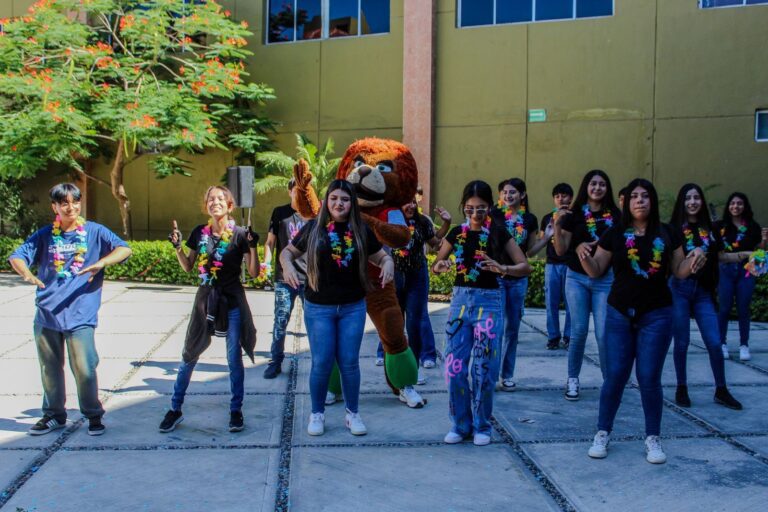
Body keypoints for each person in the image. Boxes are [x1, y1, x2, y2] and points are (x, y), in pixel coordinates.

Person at [581, 179, 700, 464]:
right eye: (633, 196)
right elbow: (596, 270)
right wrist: (582, 255)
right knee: (616, 376)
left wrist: (694, 258)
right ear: (626, 202)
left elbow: (680, 271)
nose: (639, 201)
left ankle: (652, 438)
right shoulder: (616, 233)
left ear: (652, 201)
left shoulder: (668, 233)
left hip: (657, 314)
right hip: (619, 313)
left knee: (649, 378)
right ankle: (602, 432)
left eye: (645, 196)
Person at [9, 183, 131, 436]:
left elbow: (124, 248)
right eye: (64, 203)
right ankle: (54, 415)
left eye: (75, 201)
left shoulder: (94, 232)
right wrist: (27, 274)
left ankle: (93, 416)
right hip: (47, 314)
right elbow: (17, 256)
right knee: (50, 369)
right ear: (54, 207)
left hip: (80, 314)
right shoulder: (45, 235)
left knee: (85, 368)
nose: (71, 207)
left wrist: (100, 263)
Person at [281, 180, 394, 436]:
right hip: (318, 307)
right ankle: (317, 414)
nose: (338, 203)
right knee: (321, 362)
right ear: (326, 201)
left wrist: (388, 263)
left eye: (344, 199)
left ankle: (352, 414)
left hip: (352, 307)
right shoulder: (314, 228)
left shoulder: (361, 230)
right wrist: (287, 266)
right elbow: (287, 253)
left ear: (351, 203)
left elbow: (382, 256)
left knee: (350, 363)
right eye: (334, 198)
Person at [432, 180, 531, 446]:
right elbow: (438, 262)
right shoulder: (456, 234)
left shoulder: (499, 232)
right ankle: (459, 424)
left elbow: (525, 266)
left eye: (481, 208)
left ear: (490, 207)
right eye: (470, 208)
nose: (475, 214)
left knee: (483, 370)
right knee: (454, 368)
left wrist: (503, 269)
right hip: (460, 303)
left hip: (489, 303)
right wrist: (441, 265)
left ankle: (482, 426)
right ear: (464, 207)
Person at [159, 186, 260, 434]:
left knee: (233, 359)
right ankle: (175, 408)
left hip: (232, 300)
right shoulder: (199, 234)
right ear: (206, 206)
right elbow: (188, 266)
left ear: (230, 205)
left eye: (220, 198)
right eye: (210, 199)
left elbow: (255, 273)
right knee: (189, 353)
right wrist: (177, 247)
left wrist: (254, 246)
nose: (215, 202)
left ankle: (236, 410)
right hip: (205, 298)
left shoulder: (239, 235)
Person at [668, 184, 742, 410]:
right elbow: (671, 264)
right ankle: (681, 387)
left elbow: (721, 257)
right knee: (681, 342)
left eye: (697, 198)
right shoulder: (672, 230)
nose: (692, 202)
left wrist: (747, 255)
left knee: (713, 341)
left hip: (703, 292)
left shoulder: (710, 229)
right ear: (682, 202)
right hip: (679, 289)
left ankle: (721, 389)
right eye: (688, 198)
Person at [553, 170, 620, 400]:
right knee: (579, 330)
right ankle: (572, 379)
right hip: (577, 278)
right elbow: (561, 250)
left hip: (605, 280)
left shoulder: (616, 215)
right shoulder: (574, 214)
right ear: (586, 186)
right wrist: (557, 226)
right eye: (593, 183)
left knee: (603, 333)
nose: (598, 188)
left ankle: (609, 382)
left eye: (602, 184)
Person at [388, 197, 451, 383]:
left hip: (417, 275)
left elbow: (436, 242)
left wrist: (447, 223)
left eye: (413, 202)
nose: (411, 205)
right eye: (407, 202)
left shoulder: (422, 222)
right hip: (395, 275)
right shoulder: (390, 221)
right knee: (395, 320)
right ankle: (395, 368)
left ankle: (414, 367)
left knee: (415, 322)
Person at [491, 178, 538, 392]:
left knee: (512, 329)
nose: (508, 196)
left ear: (523, 195)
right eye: (505, 192)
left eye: (513, 192)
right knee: (496, 327)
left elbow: (530, 251)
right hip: (497, 277)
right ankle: (491, 374)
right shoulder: (494, 214)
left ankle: (507, 375)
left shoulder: (529, 219)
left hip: (518, 279)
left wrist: (548, 237)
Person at [263, 179, 308, 379]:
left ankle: (321, 362)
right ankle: (276, 361)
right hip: (284, 278)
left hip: (309, 278)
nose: (299, 195)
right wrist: (266, 262)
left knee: (315, 322)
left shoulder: (313, 214)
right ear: (289, 192)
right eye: (296, 191)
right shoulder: (279, 213)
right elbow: (270, 242)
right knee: (280, 320)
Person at [715, 192, 767, 361]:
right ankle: (722, 343)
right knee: (724, 308)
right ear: (728, 206)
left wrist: (764, 240)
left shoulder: (753, 226)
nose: (735, 206)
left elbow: (758, 250)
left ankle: (744, 345)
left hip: (746, 270)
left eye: (739, 203)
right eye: (732, 203)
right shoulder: (721, 226)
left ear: (745, 206)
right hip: (725, 269)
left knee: (744, 309)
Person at [528, 183, 574, 350]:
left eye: (564, 195)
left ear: (571, 197)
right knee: (551, 302)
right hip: (552, 264)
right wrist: (548, 235)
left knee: (571, 304)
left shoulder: (575, 216)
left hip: (570, 265)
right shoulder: (548, 217)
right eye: (557, 196)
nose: (561, 199)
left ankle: (569, 336)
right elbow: (542, 239)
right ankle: (553, 336)